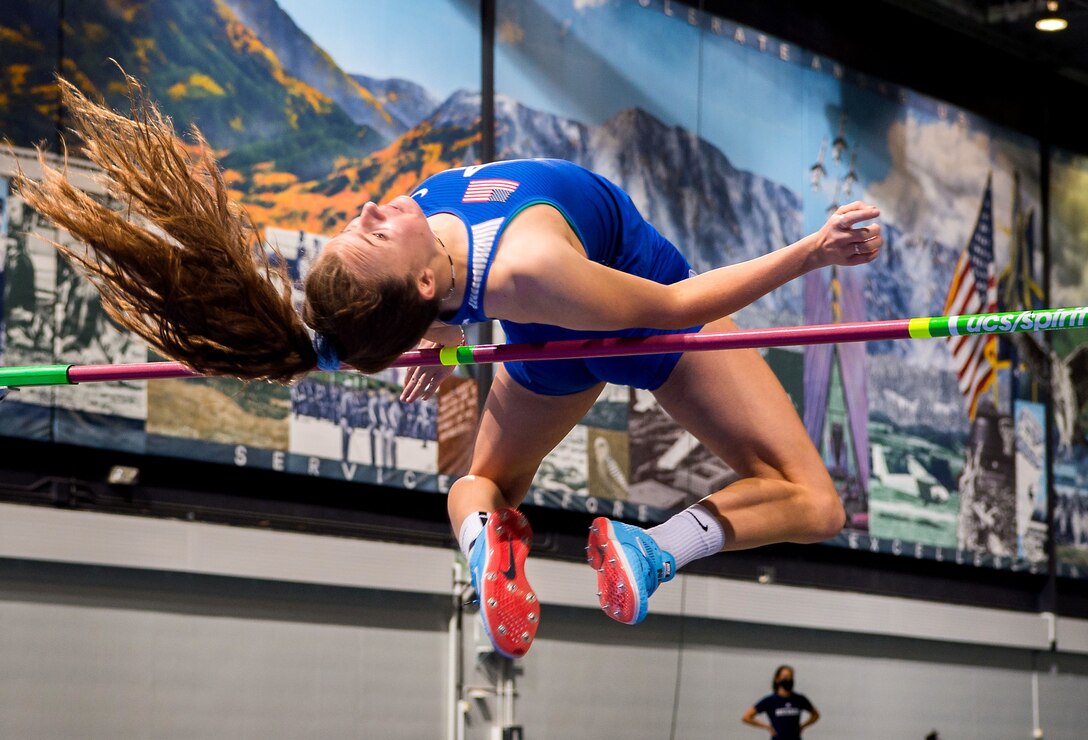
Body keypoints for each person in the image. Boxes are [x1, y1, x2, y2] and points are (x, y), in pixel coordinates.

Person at [18, 74, 882, 659]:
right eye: (370, 235)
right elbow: (674, 309)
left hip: (540, 347)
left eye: (352, 226)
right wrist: (808, 253)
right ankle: (653, 551)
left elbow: (415, 315)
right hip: (631, 307)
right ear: (424, 280)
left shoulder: (430, 266)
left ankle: (486, 545)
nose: (365, 208)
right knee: (813, 498)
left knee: (480, 488)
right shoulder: (524, 266)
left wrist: (429, 346)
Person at [742, 665, 820, 739]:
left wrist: (803, 726)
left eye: (790, 677)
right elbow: (746, 717)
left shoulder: (800, 699)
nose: (788, 679)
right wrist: (767, 727)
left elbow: (815, 715)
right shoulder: (770, 700)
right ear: (777, 679)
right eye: (785, 677)